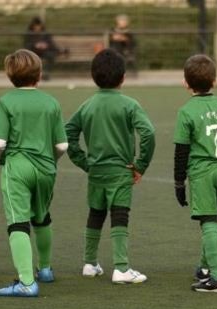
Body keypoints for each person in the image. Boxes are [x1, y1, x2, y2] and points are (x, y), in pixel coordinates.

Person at [65, 49, 155, 284]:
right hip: (121, 170)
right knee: (119, 214)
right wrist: (141, 165)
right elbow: (148, 133)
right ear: (123, 77)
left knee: (95, 213)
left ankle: (89, 263)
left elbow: (68, 132)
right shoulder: (129, 104)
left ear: (93, 76)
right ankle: (121, 267)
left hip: (96, 171)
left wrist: (83, 161)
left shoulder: (87, 105)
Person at [0, 49, 68, 297]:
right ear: (39, 73)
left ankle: (26, 282)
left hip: (17, 167)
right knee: (42, 217)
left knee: (18, 223)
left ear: (9, 75)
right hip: (47, 168)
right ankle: (44, 270)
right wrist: (49, 162)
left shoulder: (6, 101)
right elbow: (62, 146)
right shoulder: (51, 102)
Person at [173, 54, 217, 293]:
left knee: (208, 222)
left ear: (186, 83)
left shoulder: (186, 111)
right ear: (214, 80)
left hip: (202, 171)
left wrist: (179, 183)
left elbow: (181, 151)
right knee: (214, 220)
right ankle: (205, 268)